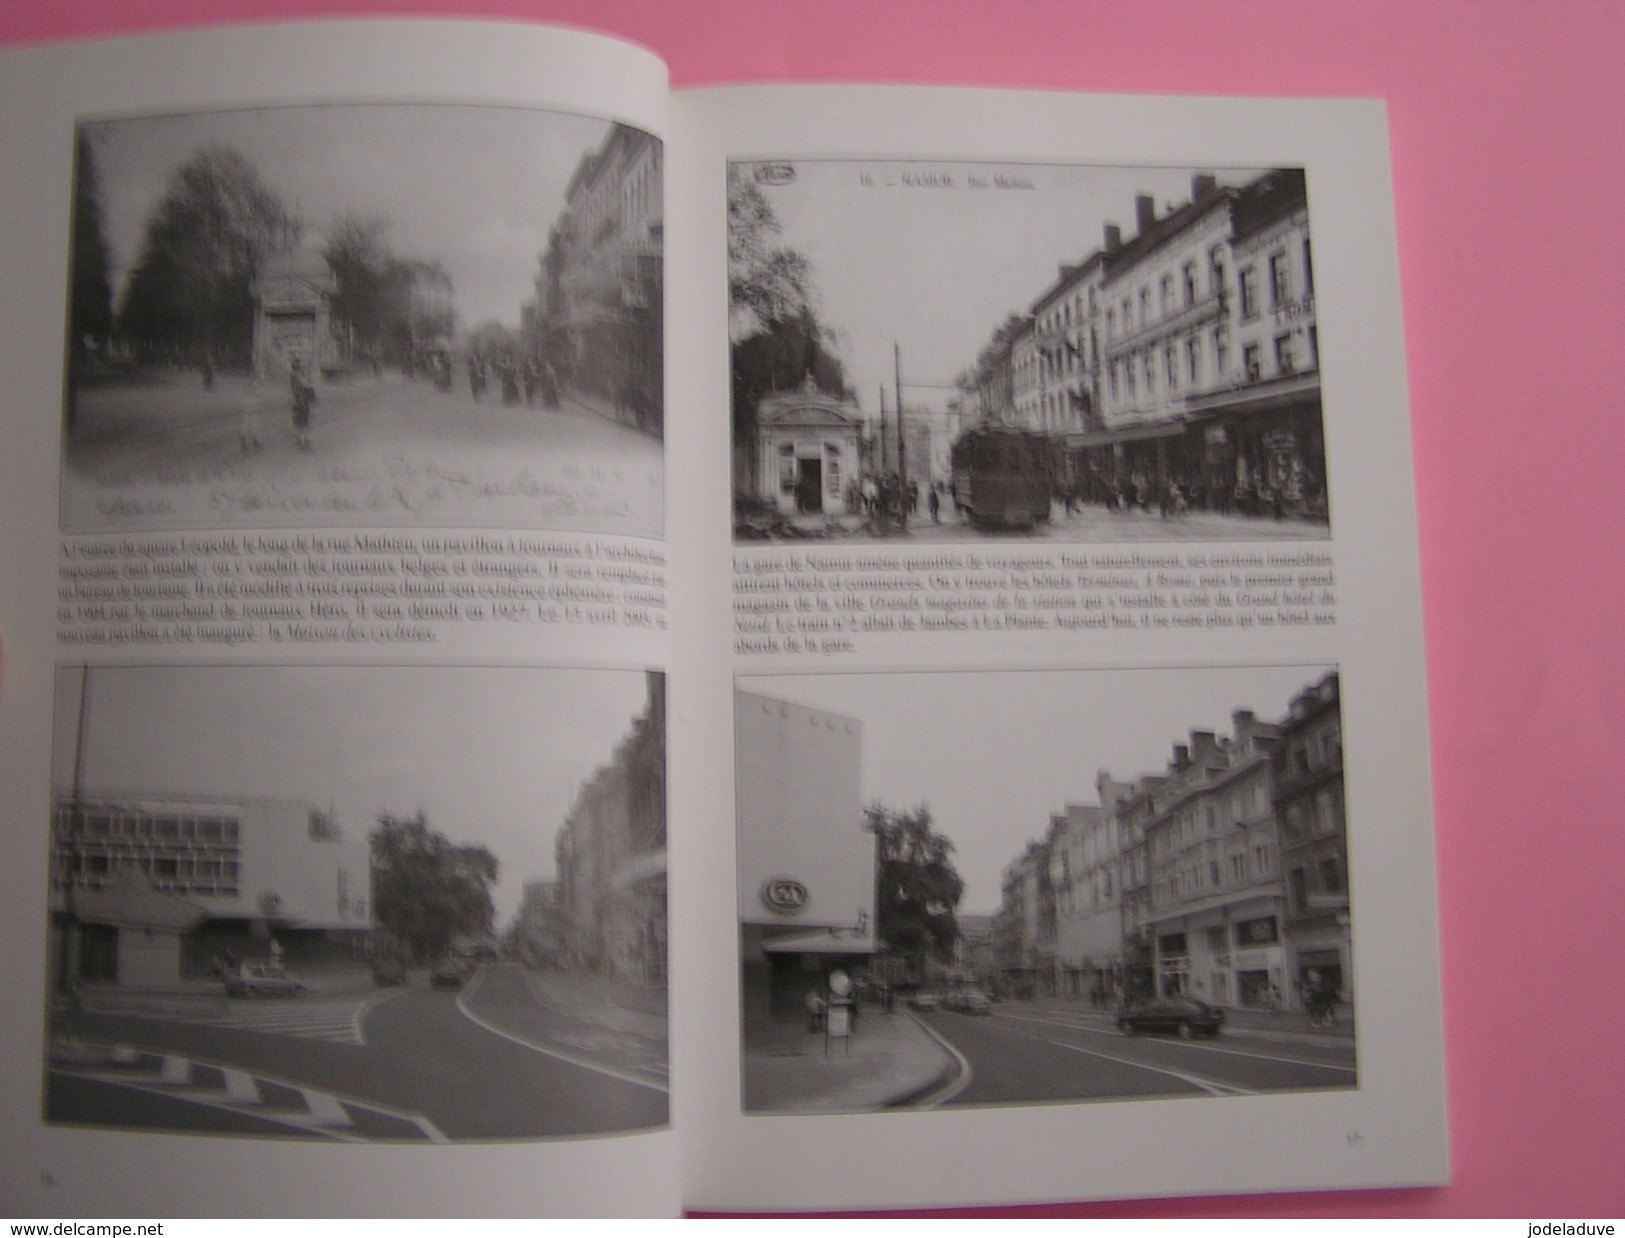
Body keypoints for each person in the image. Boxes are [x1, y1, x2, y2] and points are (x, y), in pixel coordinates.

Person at [289, 359, 315, 451]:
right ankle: (304, 441)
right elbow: (309, 390)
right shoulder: (301, 378)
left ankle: (299, 440)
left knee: (298, 423)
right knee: (303, 423)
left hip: (297, 402)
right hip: (302, 403)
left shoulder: (293, 378)